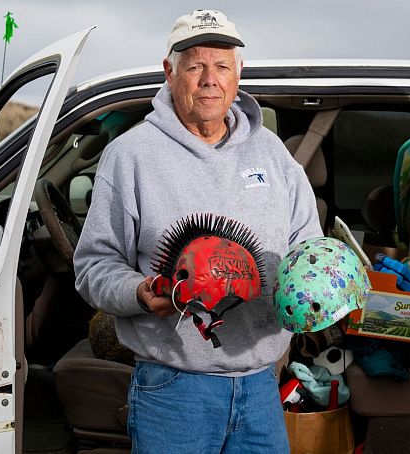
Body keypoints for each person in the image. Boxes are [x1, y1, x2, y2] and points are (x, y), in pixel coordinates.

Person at [73, 9, 322, 454]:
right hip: (173, 391)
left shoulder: (274, 157)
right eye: (195, 65)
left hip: (261, 386)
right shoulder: (130, 156)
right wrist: (140, 292)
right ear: (169, 72)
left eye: (222, 65)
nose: (210, 78)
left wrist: (320, 287)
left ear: (238, 72)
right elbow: (94, 265)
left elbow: (307, 251)